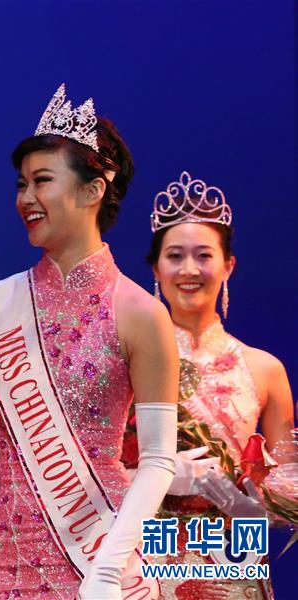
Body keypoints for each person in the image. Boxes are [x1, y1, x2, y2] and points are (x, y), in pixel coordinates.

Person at [0, 84, 178, 599]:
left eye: (42, 181)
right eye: (21, 184)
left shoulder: (142, 314)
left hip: (102, 546)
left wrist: (110, 568)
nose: (25, 198)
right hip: (1, 549)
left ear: (93, 191)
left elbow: (159, 458)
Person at [143, 171, 295, 599]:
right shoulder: (131, 364)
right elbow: (95, 469)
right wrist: (156, 476)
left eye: (204, 256)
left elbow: (290, 482)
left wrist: (258, 510)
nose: (189, 270)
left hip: (237, 559)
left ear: (228, 265)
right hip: (149, 561)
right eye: (175, 256)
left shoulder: (265, 369)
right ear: (156, 268)